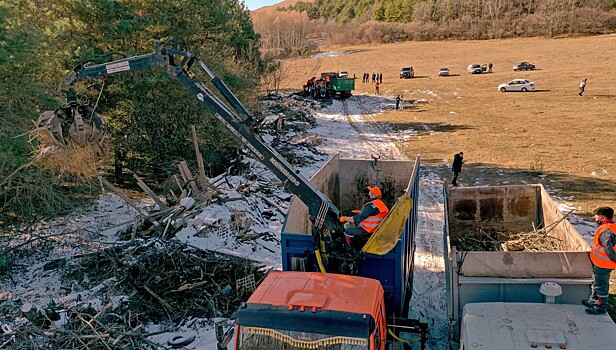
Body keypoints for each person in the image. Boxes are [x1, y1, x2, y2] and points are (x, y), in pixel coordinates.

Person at [582, 206, 616, 315]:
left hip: (604, 265)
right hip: (599, 264)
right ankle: (594, 301)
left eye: (597, 216)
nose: (595, 218)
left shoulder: (606, 231)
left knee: (601, 286)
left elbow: (609, 250)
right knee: (596, 283)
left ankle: (600, 308)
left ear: (603, 217)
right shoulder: (609, 227)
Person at [339, 186, 389, 250]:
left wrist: (345, 218)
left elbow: (358, 219)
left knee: (348, 230)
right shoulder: (380, 204)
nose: (369, 193)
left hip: (368, 230)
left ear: (372, 194)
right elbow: (373, 214)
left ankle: (349, 251)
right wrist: (359, 212)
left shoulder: (370, 206)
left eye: (370, 191)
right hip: (375, 228)